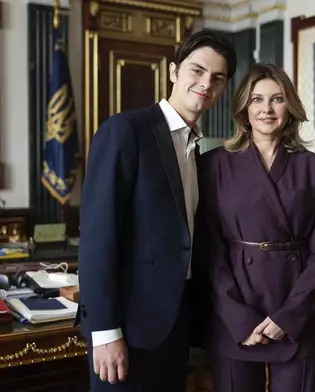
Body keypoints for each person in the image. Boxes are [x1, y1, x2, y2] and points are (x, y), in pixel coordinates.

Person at [77, 29, 237, 391]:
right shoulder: (125, 131)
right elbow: (97, 240)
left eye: (217, 77)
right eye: (197, 71)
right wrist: (104, 332)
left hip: (176, 326)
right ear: (173, 71)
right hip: (126, 330)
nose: (205, 83)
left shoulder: (198, 151)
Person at [199, 62, 315, 392]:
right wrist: (238, 317)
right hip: (235, 311)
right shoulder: (214, 164)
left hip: (296, 309)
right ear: (244, 108)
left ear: (290, 107)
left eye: (276, 99)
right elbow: (208, 249)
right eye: (257, 99)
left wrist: (290, 316)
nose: (266, 109)